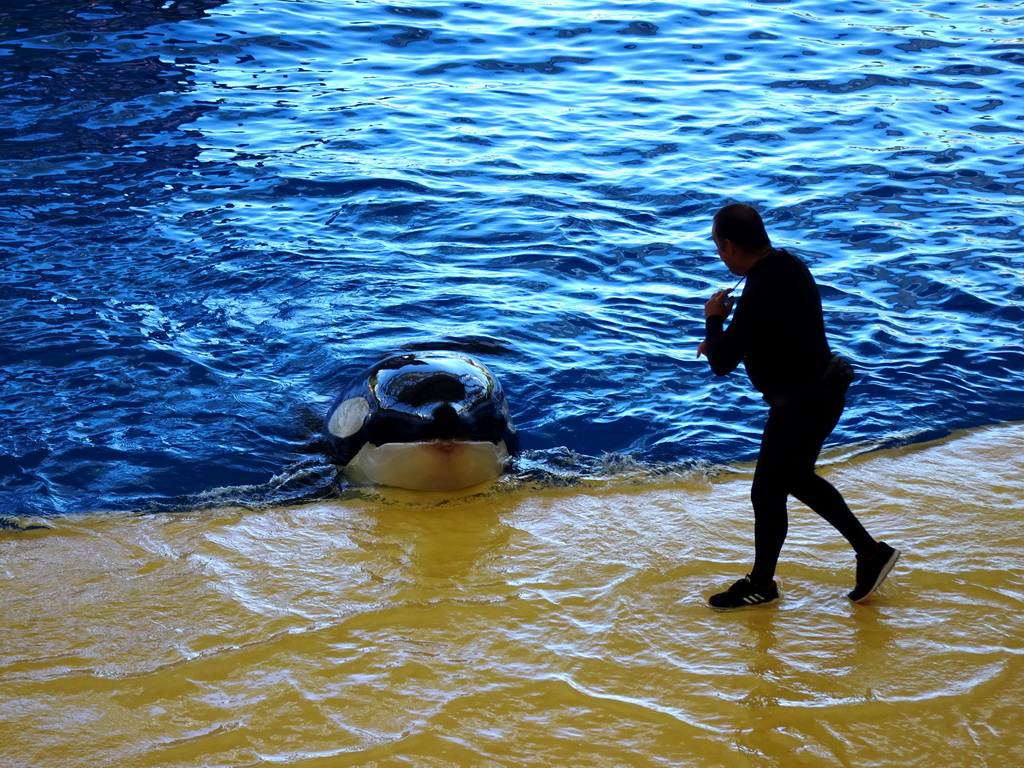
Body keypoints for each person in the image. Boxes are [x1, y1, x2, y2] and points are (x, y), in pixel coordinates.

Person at [697, 203, 899, 609]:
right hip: (820, 393)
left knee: (767, 492)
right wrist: (732, 337)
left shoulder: (760, 289)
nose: (720, 255)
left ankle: (763, 585)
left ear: (731, 245)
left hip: (804, 403)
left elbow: (721, 362)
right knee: (796, 480)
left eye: (718, 247)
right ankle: (871, 554)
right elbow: (767, 333)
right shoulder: (788, 266)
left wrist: (714, 319)